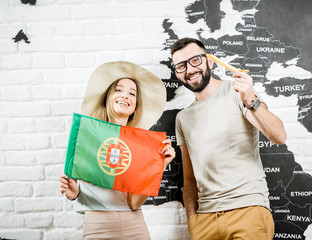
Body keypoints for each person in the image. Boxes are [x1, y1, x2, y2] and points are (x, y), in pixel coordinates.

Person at [171, 38, 287, 240]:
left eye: (195, 60)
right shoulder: (182, 118)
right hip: (205, 222)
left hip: (248, 211)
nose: (189, 69)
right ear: (177, 73)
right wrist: (193, 222)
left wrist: (250, 98)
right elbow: (189, 180)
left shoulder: (238, 94)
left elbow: (278, 136)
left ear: (210, 61)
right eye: (181, 65)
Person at [59, 61, 175, 240]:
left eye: (132, 93)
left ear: (135, 106)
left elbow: (135, 203)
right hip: (96, 226)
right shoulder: (86, 134)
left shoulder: (142, 146)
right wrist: (75, 193)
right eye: (118, 90)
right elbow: (77, 184)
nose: (125, 96)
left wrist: (159, 165)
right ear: (108, 97)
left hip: (134, 225)